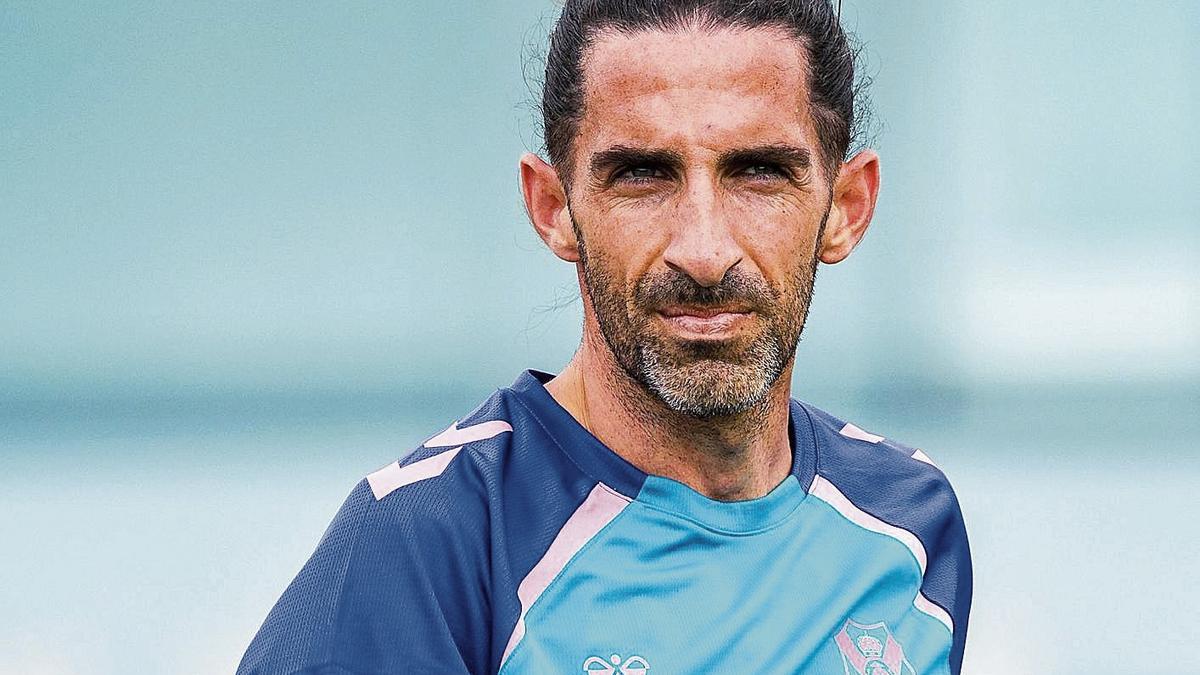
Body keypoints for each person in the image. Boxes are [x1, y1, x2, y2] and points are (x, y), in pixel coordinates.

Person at [237, 1, 972, 673]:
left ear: (847, 206)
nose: (705, 249)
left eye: (759, 172)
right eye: (642, 175)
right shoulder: (428, 545)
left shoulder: (909, 527)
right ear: (553, 206)